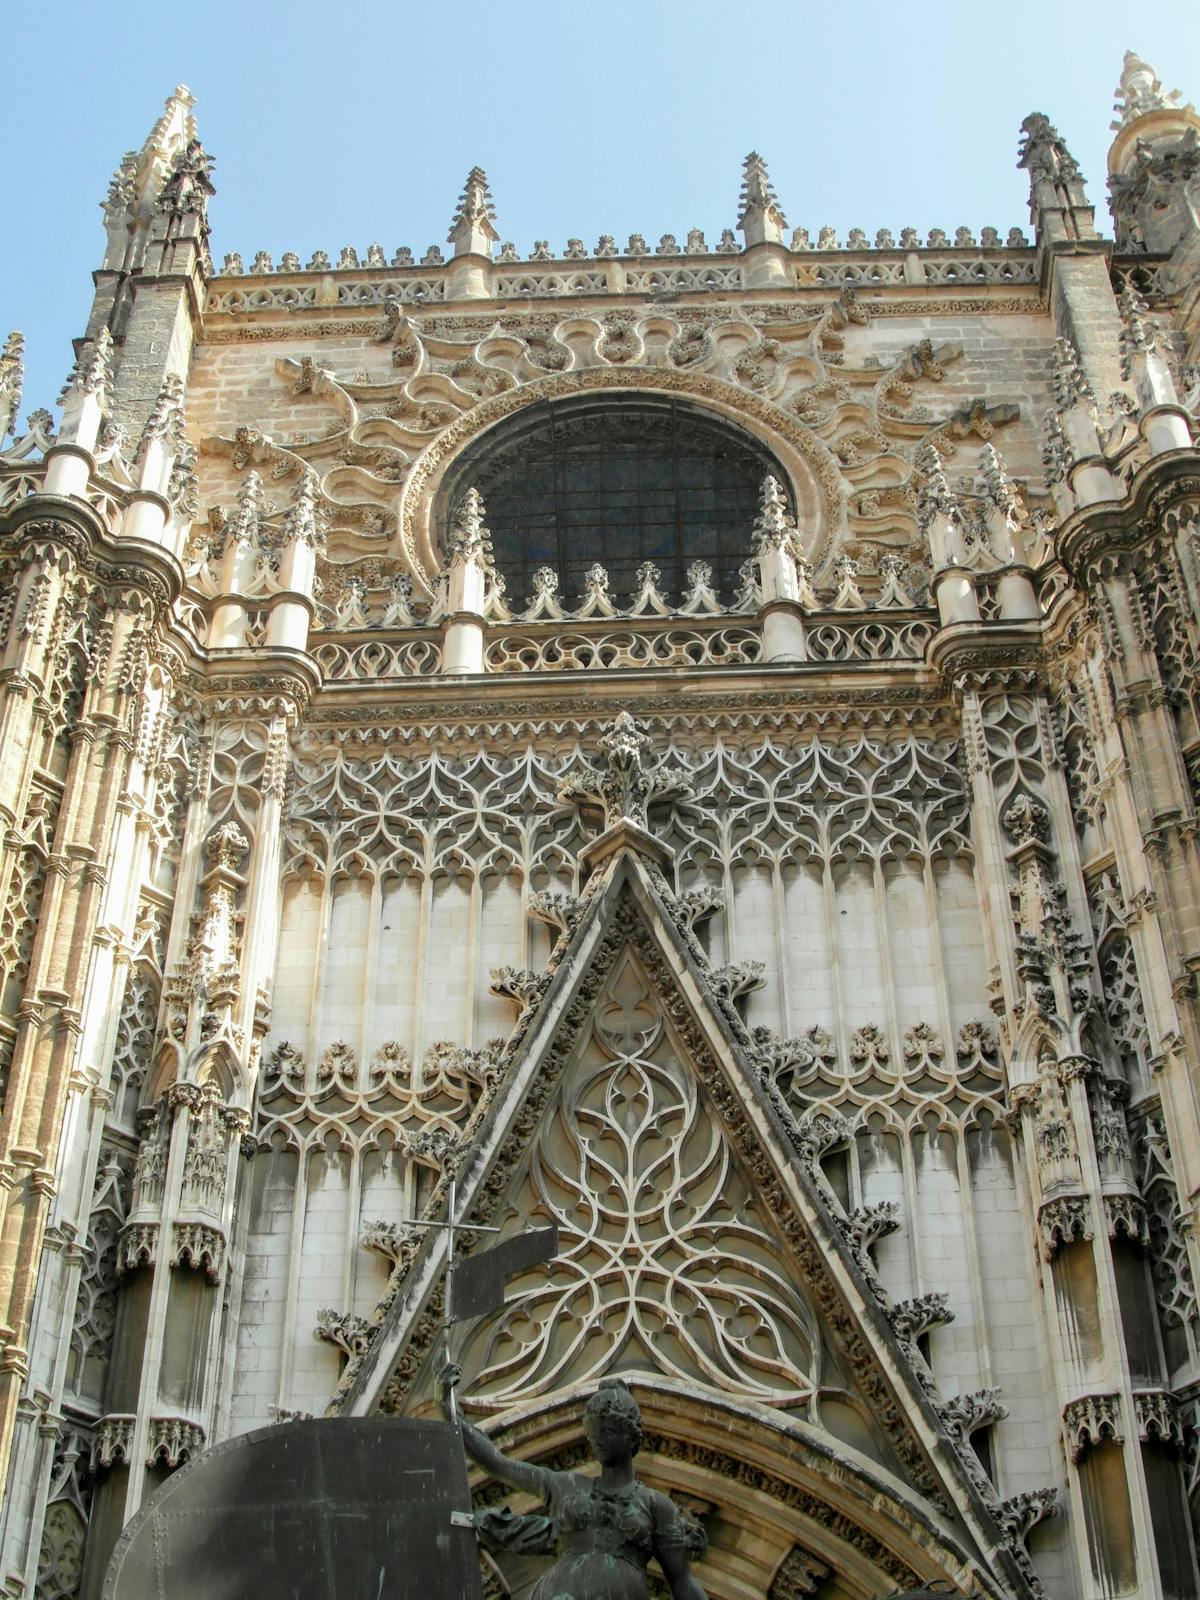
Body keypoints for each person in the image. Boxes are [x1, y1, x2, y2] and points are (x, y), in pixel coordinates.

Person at [439, 1365, 708, 1600]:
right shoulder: (564, 1485)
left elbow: (682, 1582)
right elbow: (499, 1464)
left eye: (609, 1431)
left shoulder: (656, 1505)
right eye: (595, 1433)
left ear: (631, 1438)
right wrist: (452, 1415)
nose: (600, 1440)